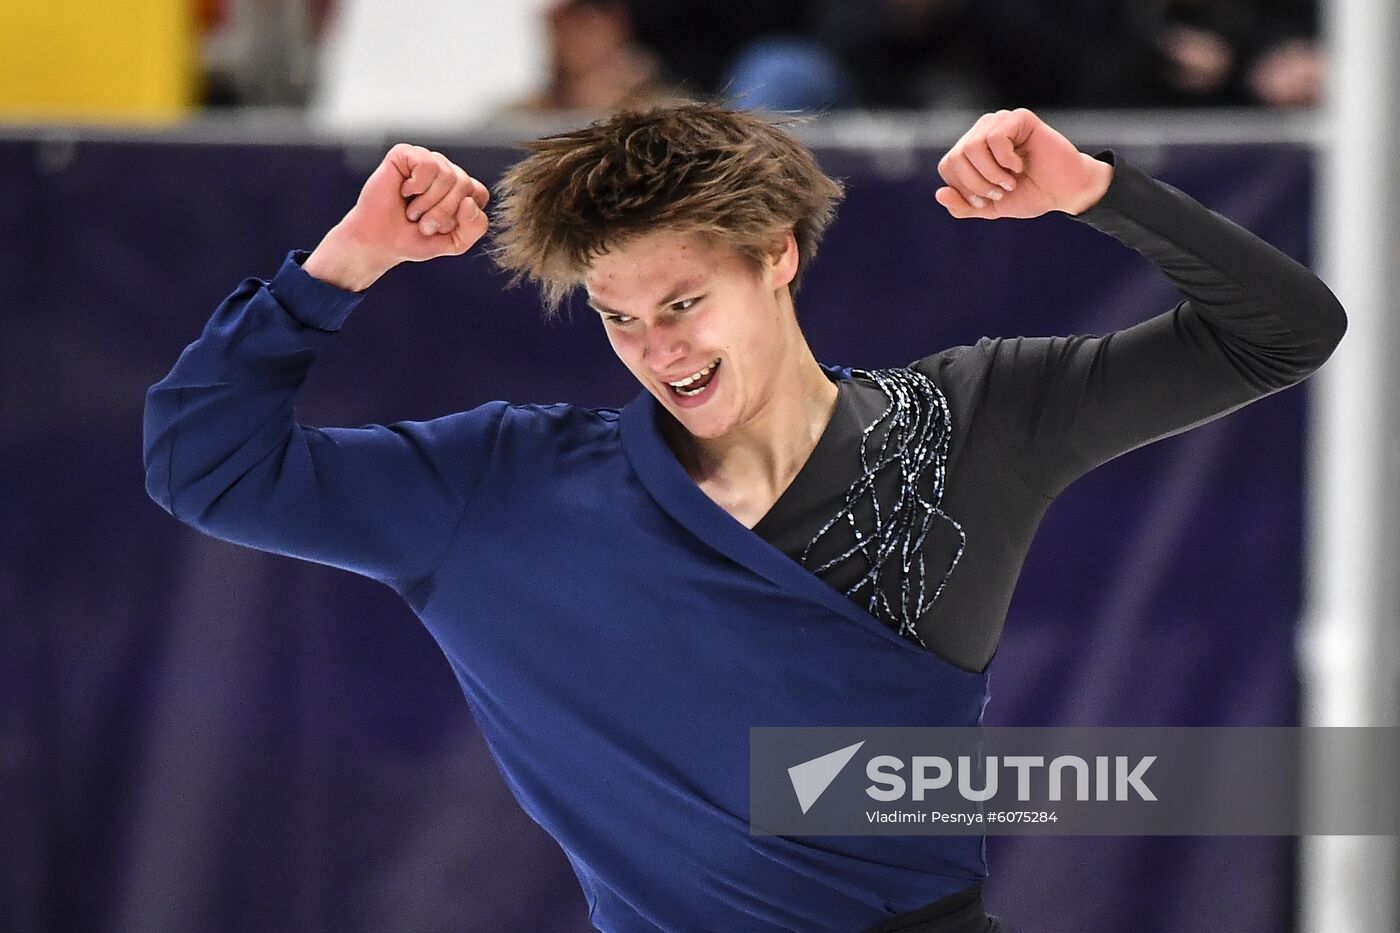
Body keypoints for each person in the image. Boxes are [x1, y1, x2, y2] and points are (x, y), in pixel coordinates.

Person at [142, 103, 1346, 931]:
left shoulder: (969, 424)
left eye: (683, 300)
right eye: (619, 320)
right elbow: (204, 466)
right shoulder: (495, 488)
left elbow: (1285, 331)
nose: (659, 350)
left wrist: (1094, 192)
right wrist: (340, 265)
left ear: (775, 256)